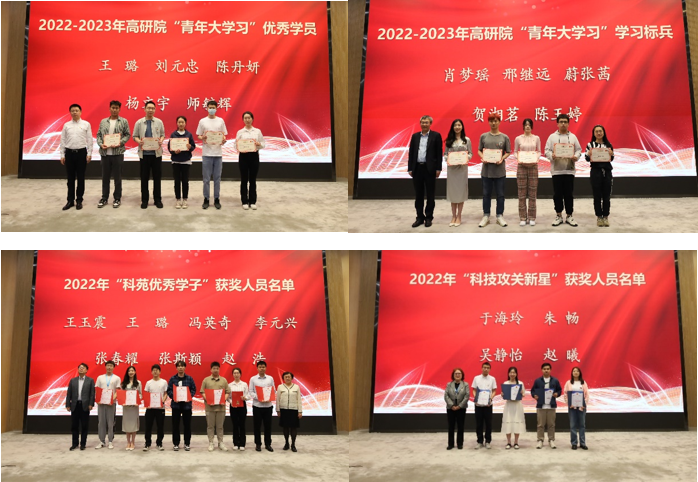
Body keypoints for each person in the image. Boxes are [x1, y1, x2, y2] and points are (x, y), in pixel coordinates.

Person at [545, 114, 582, 227]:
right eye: (561, 122)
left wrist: (576, 156)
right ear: (557, 123)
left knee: (569, 194)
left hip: (569, 170)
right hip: (556, 170)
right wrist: (552, 155)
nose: (563, 124)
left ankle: (569, 215)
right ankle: (559, 215)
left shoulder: (573, 137)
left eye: (565, 122)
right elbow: (547, 151)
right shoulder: (552, 137)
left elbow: (578, 150)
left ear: (568, 124)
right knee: (557, 194)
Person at [407, 115, 443, 228]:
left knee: (430, 195)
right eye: (422, 122)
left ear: (430, 124)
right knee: (418, 195)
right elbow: (411, 153)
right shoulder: (415, 136)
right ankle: (419, 217)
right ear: (420, 124)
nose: (424, 124)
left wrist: (438, 168)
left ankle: (428, 217)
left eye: (426, 122)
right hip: (417, 168)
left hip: (430, 169)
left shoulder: (436, 136)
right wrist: (410, 168)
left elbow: (439, 153)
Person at [477, 113, 511, 228]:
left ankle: (499, 216)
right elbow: (479, 150)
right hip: (486, 171)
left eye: (496, 121)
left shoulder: (504, 137)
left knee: (500, 195)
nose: (493, 123)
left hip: (499, 171)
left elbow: (508, 152)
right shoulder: (484, 136)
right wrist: (483, 157)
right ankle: (486, 216)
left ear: (499, 122)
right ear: (488, 122)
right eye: (491, 121)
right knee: (486, 194)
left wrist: (502, 158)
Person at [95, 100, 131, 208]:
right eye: (113, 108)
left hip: (117, 153)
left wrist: (120, 142)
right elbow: (98, 135)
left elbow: (127, 134)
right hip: (105, 154)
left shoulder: (123, 121)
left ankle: (117, 198)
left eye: (116, 108)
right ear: (109, 108)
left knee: (117, 177)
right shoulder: (103, 122)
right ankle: (104, 197)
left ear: (119, 109)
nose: (114, 110)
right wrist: (101, 144)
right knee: (105, 177)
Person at [133, 100, 166, 209]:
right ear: (145, 109)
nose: (150, 110)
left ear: (155, 110)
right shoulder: (139, 122)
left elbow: (162, 135)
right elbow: (134, 136)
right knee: (144, 178)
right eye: (149, 108)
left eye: (152, 108)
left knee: (157, 178)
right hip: (144, 155)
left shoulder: (159, 122)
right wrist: (139, 141)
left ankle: (157, 199)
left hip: (156, 154)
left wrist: (161, 140)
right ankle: (145, 200)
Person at [59, 103, 93, 211]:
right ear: (70, 112)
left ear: (80, 112)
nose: (74, 112)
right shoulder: (66, 125)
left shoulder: (86, 124)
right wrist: (62, 154)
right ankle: (70, 200)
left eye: (76, 110)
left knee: (81, 178)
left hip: (81, 153)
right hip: (69, 153)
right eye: (72, 111)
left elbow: (90, 140)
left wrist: (89, 153)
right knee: (70, 178)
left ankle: (79, 200)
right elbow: (63, 140)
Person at [196, 100, 228, 210]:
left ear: (216, 108)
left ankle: (216, 199)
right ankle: (206, 198)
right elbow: (198, 135)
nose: (211, 109)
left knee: (217, 178)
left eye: (213, 107)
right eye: (210, 107)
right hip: (206, 154)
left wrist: (223, 140)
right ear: (207, 108)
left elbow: (224, 135)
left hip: (218, 154)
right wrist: (203, 137)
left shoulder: (220, 121)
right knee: (206, 179)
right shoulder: (202, 121)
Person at [443, 119, 472, 227]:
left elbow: (470, 153)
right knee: (453, 193)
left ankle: (459, 216)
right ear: (453, 127)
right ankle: (453, 216)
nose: (457, 127)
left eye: (459, 125)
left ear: (462, 127)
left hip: (462, 170)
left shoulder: (467, 140)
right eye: (455, 125)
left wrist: (465, 158)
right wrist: (448, 159)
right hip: (452, 170)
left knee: (460, 193)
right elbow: (445, 154)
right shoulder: (449, 140)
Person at [513, 118, 541, 226]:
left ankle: (532, 217)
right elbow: (515, 152)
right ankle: (523, 217)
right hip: (522, 166)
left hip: (533, 166)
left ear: (532, 126)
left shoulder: (536, 138)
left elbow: (539, 151)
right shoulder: (518, 138)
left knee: (533, 192)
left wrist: (536, 158)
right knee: (521, 193)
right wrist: (519, 158)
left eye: (529, 125)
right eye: (526, 125)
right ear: (523, 126)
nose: (527, 126)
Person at [584, 125, 614, 227]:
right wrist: (589, 154)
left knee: (606, 196)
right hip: (595, 172)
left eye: (600, 131)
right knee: (597, 196)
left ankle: (605, 216)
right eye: (596, 131)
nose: (599, 133)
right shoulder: (590, 145)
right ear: (594, 133)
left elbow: (612, 158)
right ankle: (599, 217)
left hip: (607, 172)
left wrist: (611, 154)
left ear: (604, 132)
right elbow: (586, 159)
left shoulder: (608, 145)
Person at [236, 111, 265, 210]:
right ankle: (244, 201)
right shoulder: (240, 132)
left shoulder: (257, 131)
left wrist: (259, 144)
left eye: (249, 118)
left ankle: (252, 201)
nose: (247, 120)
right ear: (243, 120)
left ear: (252, 119)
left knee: (253, 179)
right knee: (244, 179)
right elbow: (235, 145)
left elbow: (263, 144)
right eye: (245, 118)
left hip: (254, 157)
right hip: (243, 157)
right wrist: (239, 146)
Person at [200, 361, 231, 452]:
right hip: (209, 407)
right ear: (211, 369)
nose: (215, 370)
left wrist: (223, 399)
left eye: (217, 368)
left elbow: (227, 392)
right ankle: (211, 442)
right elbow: (202, 392)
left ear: (219, 369)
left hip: (221, 408)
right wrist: (208, 399)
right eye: (214, 368)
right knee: (210, 426)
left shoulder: (223, 380)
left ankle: (220, 442)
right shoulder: (206, 380)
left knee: (220, 426)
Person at [531, 362, 562, 449]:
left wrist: (557, 394)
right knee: (540, 425)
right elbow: (533, 391)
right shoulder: (537, 381)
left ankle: (551, 440)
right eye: (544, 369)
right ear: (542, 370)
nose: (546, 370)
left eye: (548, 369)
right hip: (541, 406)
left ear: (550, 370)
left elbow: (559, 390)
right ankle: (540, 440)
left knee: (551, 424)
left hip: (551, 405)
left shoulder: (555, 380)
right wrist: (534, 396)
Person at [167, 116, 196, 209]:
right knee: (177, 181)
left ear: (185, 123)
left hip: (186, 161)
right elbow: (169, 147)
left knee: (185, 181)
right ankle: (178, 199)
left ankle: (185, 199)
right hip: (176, 161)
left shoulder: (189, 135)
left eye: (182, 122)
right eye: (179, 122)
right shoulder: (173, 134)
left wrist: (190, 147)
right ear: (177, 123)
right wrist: (174, 152)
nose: (181, 124)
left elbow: (193, 146)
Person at [167, 360, 196, 451]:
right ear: (176, 368)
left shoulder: (189, 378)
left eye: (182, 366)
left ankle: (187, 443)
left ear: (185, 367)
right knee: (175, 425)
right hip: (176, 405)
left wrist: (189, 396)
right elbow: (169, 390)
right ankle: (176, 443)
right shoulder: (172, 379)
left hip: (187, 406)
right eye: (179, 366)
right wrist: (174, 397)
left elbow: (193, 389)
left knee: (187, 425)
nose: (180, 368)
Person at [65, 362, 95, 450]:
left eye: (83, 367)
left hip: (85, 405)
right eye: (80, 367)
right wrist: (68, 404)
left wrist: (91, 404)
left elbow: (92, 394)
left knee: (84, 425)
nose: (81, 369)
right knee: (74, 425)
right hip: (75, 405)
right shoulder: (73, 380)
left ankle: (83, 444)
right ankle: (74, 443)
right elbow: (69, 394)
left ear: (86, 370)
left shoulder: (90, 380)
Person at [249, 360, 275, 452]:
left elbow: (273, 390)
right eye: (260, 367)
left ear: (265, 368)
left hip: (268, 406)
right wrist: (259, 397)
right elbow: (251, 392)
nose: (261, 368)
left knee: (268, 426)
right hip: (257, 406)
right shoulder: (253, 379)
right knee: (257, 426)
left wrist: (269, 396)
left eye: (263, 367)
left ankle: (268, 444)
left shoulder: (270, 378)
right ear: (257, 368)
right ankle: (258, 444)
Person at [94, 360, 121, 449]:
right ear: (105, 367)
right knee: (101, 422)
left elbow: (118, 391)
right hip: (101, 403)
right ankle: (102, 441)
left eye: (111, 366)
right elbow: (97, 390)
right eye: (108, 365)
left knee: (110, 422)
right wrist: (97, 399)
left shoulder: (117, 378)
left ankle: (110, 441)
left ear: (113, 367)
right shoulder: (100, 377)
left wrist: (111, 399)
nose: (109, 367)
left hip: (111, 403)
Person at [472, 361, 497, 449]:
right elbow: (474, 390)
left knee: (488, 424)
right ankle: (479, 441)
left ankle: (488, 441)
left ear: (490, 369)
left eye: (488, 368)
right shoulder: (476, 378)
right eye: (484, 367)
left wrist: (490, 398)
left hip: (488, 405)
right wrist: (476, 398)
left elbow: (494, 391)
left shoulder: (492, 379)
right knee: (479, 424)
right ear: (481, 368)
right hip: (478, 405)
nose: (486, 369)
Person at [143, 364, 168, 451]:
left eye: (157, 370)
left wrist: (162, 401)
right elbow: (146, 394)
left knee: (160, 426)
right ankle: (147, 443)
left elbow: (165, 393)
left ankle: (159, 443)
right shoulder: (148, 383)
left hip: (160, 408)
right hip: (150, 408)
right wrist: (147, 404)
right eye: (154, 370)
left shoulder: (164, 382)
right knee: (148, 426)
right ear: (151, 372)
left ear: (160, 372)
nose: (155, 371)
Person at [443, 367, 469, 450]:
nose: (457, 375)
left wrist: (459, 406)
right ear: (453, 375)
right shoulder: (449, 384)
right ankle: (450, 444)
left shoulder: (465, 385)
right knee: (451, 426)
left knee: (460, 426)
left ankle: (460, 443)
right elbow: (446, 396)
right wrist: (451, 405)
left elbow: (467, 396)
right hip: (450, 408)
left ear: (462, 375)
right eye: (456, 373)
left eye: (459, 373)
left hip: (461, 408)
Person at [564, 366, 589, 450]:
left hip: (581, 407)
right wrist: (569, 403)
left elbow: (587, 394)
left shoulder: (583, 382)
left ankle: (582, 443)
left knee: (582, 425)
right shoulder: (568, 383)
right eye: (574, 371)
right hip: (572, 408)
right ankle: (574, 443)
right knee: (573, 425)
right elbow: (565, 394)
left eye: (577, 371)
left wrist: (584, 404)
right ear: (572, 373)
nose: (575, 372)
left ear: (580, 373)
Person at [277, 371, 303, 452]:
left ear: (292, 378)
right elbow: (277, 399)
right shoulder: (280, 387)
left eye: (289, 377)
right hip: (283, 409)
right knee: (285, 427)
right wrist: (278, 410)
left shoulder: (296, 387)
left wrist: (300, 411)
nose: (287, 378)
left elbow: (299, 399)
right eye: (286, 377)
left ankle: (293, 444)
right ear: (283, 378)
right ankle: (286, 443)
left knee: (293, 427)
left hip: (294, 409)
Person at [501, 366, 525, 450]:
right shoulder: (506, 383)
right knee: (508, 423)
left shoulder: (520, 383)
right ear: (508, 374)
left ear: (516, 374)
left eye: (514, 372)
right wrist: (502, 395)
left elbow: (523, 394)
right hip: (509, 405)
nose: (512, 374)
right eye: (511, 372)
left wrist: (522, 393)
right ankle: (508, 442)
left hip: (517, 405)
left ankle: (516, 442)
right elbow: (504, 396)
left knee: (516, 423)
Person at [119, 365, 142, 451]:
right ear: (127, 373)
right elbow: (121, 394)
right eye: (129, 371)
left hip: (134, 407)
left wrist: (138, 401)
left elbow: (140, 394)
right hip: (126, 407)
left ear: (135, 372)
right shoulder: (123, 383)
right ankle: (128, 442)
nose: (131, 372)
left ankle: (133, 442)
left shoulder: (138, 383)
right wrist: (122, 402)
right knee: (127, 424)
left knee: (133, 424)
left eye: (132, 370)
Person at [229, 366, 249, 450]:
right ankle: (235, 443)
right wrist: (231, 402)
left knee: (242, 424)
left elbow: (248, 395)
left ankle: (242, 443)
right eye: (234, 373)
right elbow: (228, 397)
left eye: (237, 373)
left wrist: (245, 398)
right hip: (233, 406)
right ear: (232, 375)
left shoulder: (244, 384)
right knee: (235, 425)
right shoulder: (229, 385)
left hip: (242, 406)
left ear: (240, 374)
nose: (236, 374)